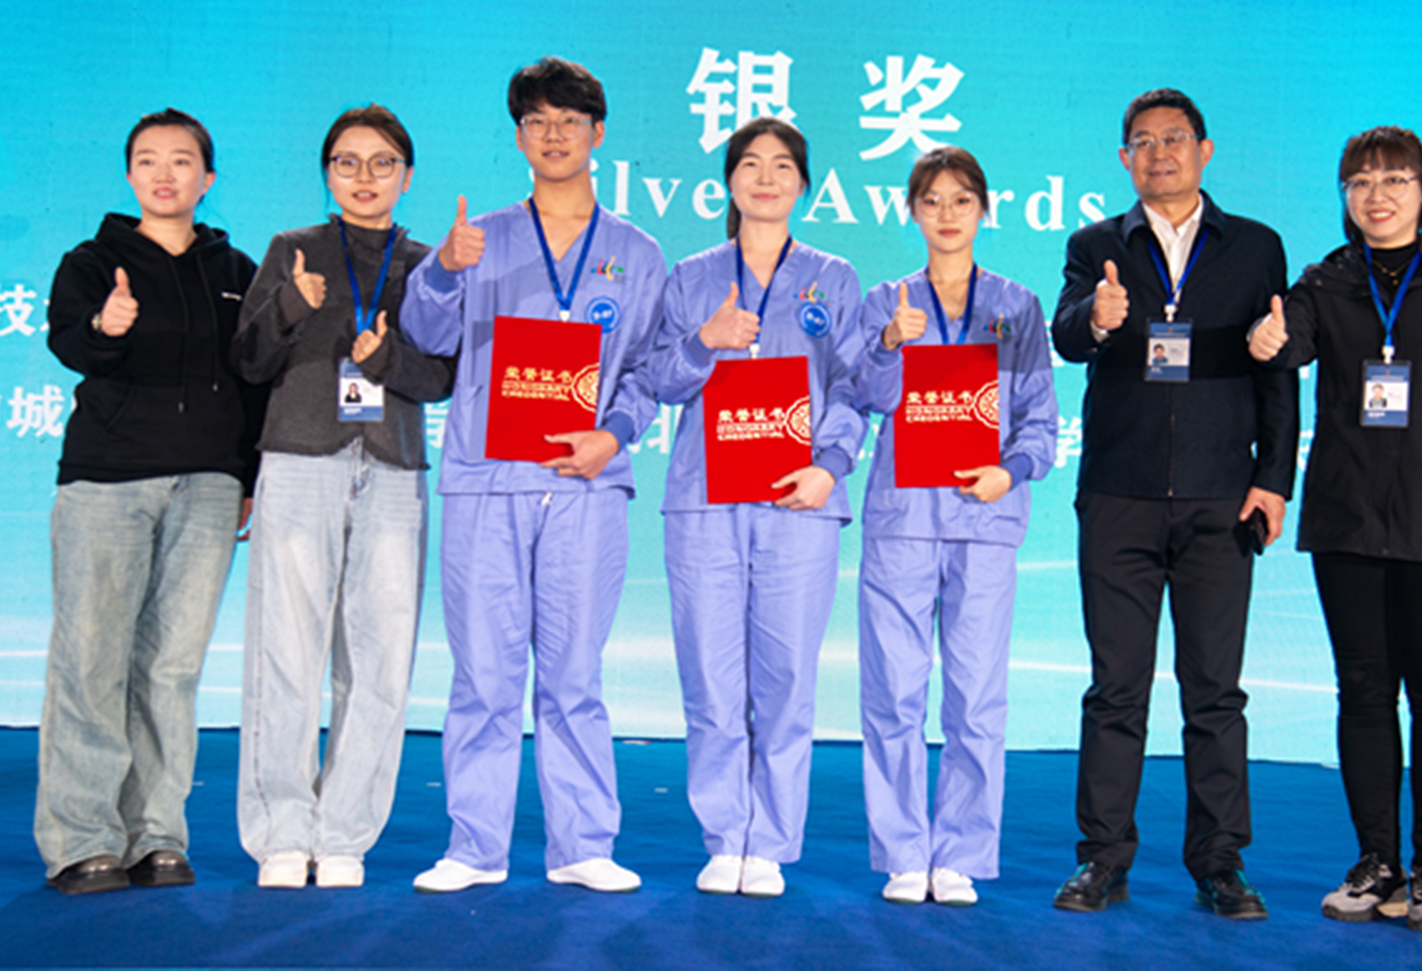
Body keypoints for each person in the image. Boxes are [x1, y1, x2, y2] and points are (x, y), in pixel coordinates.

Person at [1247, 125, 1422, 934]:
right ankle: (1377, 861)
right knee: (1363, 693)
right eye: (1361, 182)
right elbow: (1290, 340)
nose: (1378, 196)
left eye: (1395, 179)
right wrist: (1271, 339)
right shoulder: (1328, 279)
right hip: (1349, 519)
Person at [399, 60, 666, 896]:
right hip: (488, 481)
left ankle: (583, 843)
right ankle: (473, 847)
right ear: (518, 137)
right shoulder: (478, 238)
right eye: (537, 122)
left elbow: (652, 369)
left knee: (574, 673)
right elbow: (425, 335)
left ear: (598, 133)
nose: (554, 136)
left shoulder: (637, 252)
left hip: (587, 486)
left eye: (569, 121)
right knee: (483, 673)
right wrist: (444, 270)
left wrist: (613, 435)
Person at [1050, 88, 1297, 919]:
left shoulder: (1255, 246)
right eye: (1144, 142)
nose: (1160, 153)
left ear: (1205, 150)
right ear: (1125, 158)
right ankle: (1102, 859)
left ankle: (1220, 863)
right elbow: (1066, 337)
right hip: (1117, 496)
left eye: (1175, 139)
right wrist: (1097, 318)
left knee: (1214, 692)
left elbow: (1278, 365)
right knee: (1114, 690)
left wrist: (1274, 477)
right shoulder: (1095, 245)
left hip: (1220, 498)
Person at [36, 108, 264, 895]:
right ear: (130, 175)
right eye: (147, 160)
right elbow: (69, 343)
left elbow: (253, 380)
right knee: (91, 660)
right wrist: (107, 325)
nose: (164, 174)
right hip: (109, 477)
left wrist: (247, 478)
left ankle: (156, 834)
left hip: (208, 485)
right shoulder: (92, 261)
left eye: (181, 160)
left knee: (172, 667)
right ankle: (82, 840)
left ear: (207, 177)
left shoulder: (237, 270)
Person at [231, 105, 454, 889]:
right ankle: (282, 831)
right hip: (300, 458)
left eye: (382, 162)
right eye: (347, 162)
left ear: (407, 176)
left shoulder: (428, 265)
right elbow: (248, 359)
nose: (365, 177)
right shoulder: (291, 249)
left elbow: (444, 377)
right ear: (327, 173)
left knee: (381, 657)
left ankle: (345, 833)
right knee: (285, 649)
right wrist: (291, 305)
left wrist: (386, 359)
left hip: (392, 466)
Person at [649, 118, 865, 899]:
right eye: (749, 164)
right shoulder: (691, 276)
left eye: (781, 166)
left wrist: (830, 468)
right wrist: (703, 341)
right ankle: (723, 835)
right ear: (729, 182)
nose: (765, 178)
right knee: (710, 678)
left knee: (786, 679)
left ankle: (768, 841)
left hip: (797, 501)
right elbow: (656, 381)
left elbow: (853, 384)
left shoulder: (834, 278)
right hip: (705, 498)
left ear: (803, 184)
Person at [844, 147, 1056, 907]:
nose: (946, 214)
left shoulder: (1017, 306)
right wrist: (887, 345)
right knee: (893, 692)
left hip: (985, 519)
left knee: (975, 696)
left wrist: (1012, 471)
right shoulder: (885, 301)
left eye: (961, 200)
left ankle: (961, 851)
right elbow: (858, 397)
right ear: (911, 212)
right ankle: (904, 852)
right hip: (903, 519)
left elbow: (1040, 420)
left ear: (983, 210)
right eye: (931, 201)